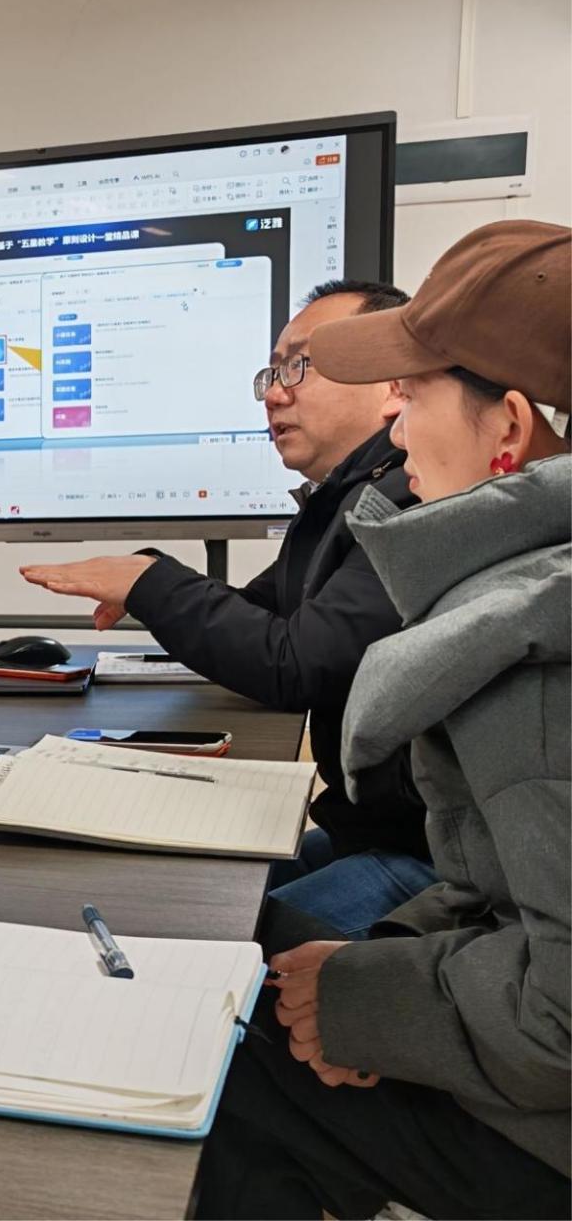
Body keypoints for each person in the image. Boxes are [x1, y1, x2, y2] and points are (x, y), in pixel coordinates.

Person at [195, 219, 570, 1219]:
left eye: (415, 397)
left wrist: (370, 1006)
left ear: (509, 427)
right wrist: (376, 970)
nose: (396, 435)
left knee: (220, 1053)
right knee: (246, 947)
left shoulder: (535, 662)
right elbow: (503, 895)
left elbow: (564, 1019)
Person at [19, 279, 431, 935]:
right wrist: (146, 581)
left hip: (431, 859)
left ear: (391, 385)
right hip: (374, 830)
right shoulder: (343, 500)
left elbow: (297, 662)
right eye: (272, 372)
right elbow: (260, 618)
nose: (274, 393)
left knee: (197, 933)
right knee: (171, 891)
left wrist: (151, 584)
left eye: (300, 366)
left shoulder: (410, 497)